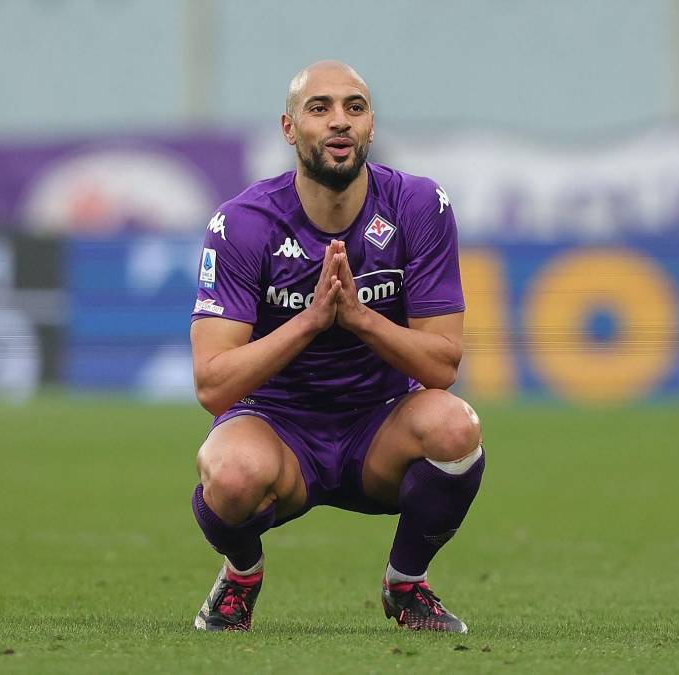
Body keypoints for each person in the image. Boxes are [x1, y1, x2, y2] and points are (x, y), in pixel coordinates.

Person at [189, 60, 485, 633]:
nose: (339, 121)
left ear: (371, 125)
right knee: (230, 474)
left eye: (355, 107)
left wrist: (358, 318)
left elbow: (443, 364)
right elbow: (212, 384)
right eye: (319, 108)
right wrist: (311, 321)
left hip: (379, 425)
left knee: (456, 427)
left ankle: (406, 583)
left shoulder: (419, 206)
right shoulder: (243, 223)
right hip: (275, 424)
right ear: (289, 128)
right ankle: (241, 576)